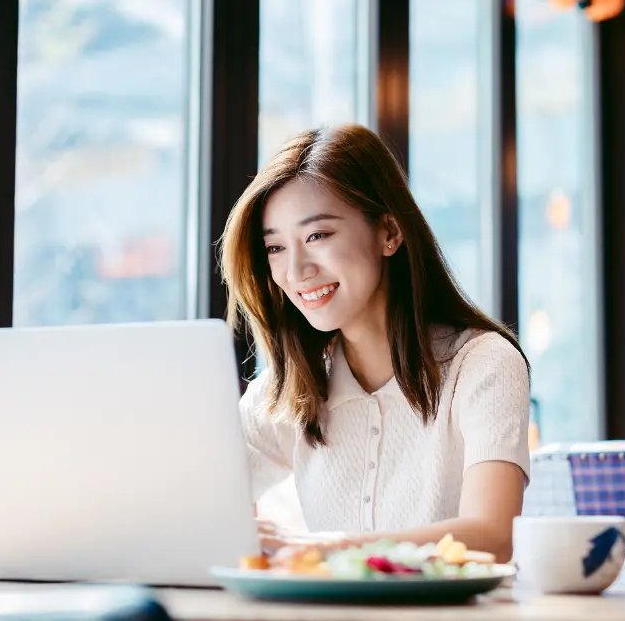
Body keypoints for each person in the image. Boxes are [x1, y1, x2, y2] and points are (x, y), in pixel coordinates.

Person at [218, 123, 531, 562]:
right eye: (275, 248)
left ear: (389, 232)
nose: (296, 270)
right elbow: (199, 504)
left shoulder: (483, 365)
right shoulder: (289, 390)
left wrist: (330, 548)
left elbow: (492, 535)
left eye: (317, 236)